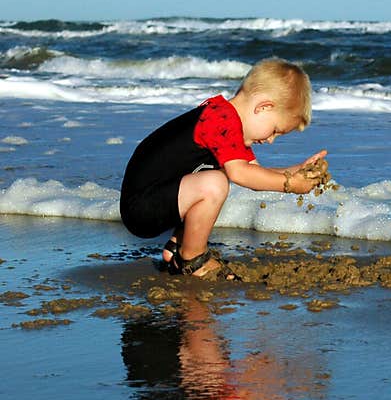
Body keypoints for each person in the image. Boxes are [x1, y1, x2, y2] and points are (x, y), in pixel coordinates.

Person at [120, 58, 327, 278]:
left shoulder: (225, 119)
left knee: (217, 177)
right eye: (275, 130)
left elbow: (254, 171)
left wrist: (296, 172)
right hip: (141, 206)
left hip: (159, 196)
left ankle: (177, 246)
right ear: (264, 107)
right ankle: (192, 257)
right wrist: (290, 186)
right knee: (215, 183)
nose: (270, 140)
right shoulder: (221, 120)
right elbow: (241, 174)